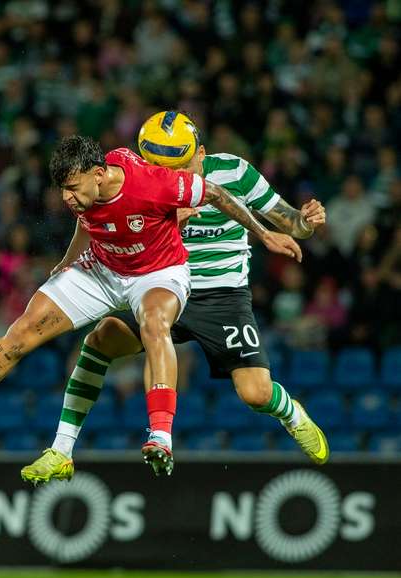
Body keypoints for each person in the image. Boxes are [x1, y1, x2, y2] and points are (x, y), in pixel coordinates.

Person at [0, 135, 301, 476]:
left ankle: (160, 435)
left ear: (99, 174)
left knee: (155, 323)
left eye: (73, 189)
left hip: (159, 272)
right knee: (20, 333)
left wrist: (264, 236)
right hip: (101, 269)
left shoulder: (151, 183)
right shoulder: (88, 191)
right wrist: (67, 263)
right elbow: (86, 222)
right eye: (63, 191)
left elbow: (212, 191)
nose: (68, 198)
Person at [21, 112, 330, 485]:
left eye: (183, 166)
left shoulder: (235, 173)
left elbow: (292, 223)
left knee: (256, 393)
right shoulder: (148, 181)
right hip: (159, 284)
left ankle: (291, 414)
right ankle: (63, 448)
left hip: (222, 295)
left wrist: (307, 222)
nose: (176, 174)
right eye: (164, 167)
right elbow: (96, 215)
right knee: (100, 340)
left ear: (201, 152)